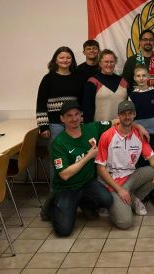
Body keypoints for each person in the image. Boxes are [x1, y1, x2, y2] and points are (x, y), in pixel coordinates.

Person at [96, 101, 154, 229]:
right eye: (123, 114)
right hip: (113, 182)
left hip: (131, 177)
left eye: (130, 113)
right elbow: (100, 169)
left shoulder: (139, 135)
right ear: (118, 116)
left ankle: (134, 198)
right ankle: (116, 203)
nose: (127, 117)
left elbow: (152, 158)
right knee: (125, 222)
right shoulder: (107, 136)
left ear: (134, 114)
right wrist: (119, 189)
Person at [49, 100, 113, 237]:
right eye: (69, 115)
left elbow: (116, 122)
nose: (74, 118)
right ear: (62, 119)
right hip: (66, 188)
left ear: (81, 115)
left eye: (77, 114)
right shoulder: (59, 143)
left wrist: (138, 127)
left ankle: (83, 203)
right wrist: (88, 156)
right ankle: (53, 206)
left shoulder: (92, 128)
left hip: (87, 183)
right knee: (63, 231)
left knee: (107, 199)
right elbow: (64, 174)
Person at [129, 65, 154, 205]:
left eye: (144, 75)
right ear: (134, 78)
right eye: (138, 76)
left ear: (149, 77)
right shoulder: (132, 96)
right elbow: (130, 117)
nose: (141, 78)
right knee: (141, 164)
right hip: (137, 135)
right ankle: (143, 191)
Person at [36, 46, 81, 141]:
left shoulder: (77, 78)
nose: (65, 60)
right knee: (56, 150)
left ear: (72, 60)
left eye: (68, 58)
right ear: (55, 60)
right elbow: (41, 103)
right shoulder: (48, 79)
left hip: (74, 122)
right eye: (61, 58)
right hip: (55, 124)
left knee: (74, 149)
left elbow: (81, 101)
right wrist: (43, 126)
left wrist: (81, 119)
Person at [82, 49, 128, 123]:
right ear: (100, 63)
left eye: (112, 61)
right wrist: (89, 127)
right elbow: (88, 109)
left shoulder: (123, 81)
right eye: (106, 62)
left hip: (121, 126)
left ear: (115, 62)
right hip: (100, 127)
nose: (109, 64)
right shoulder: (93, 82)